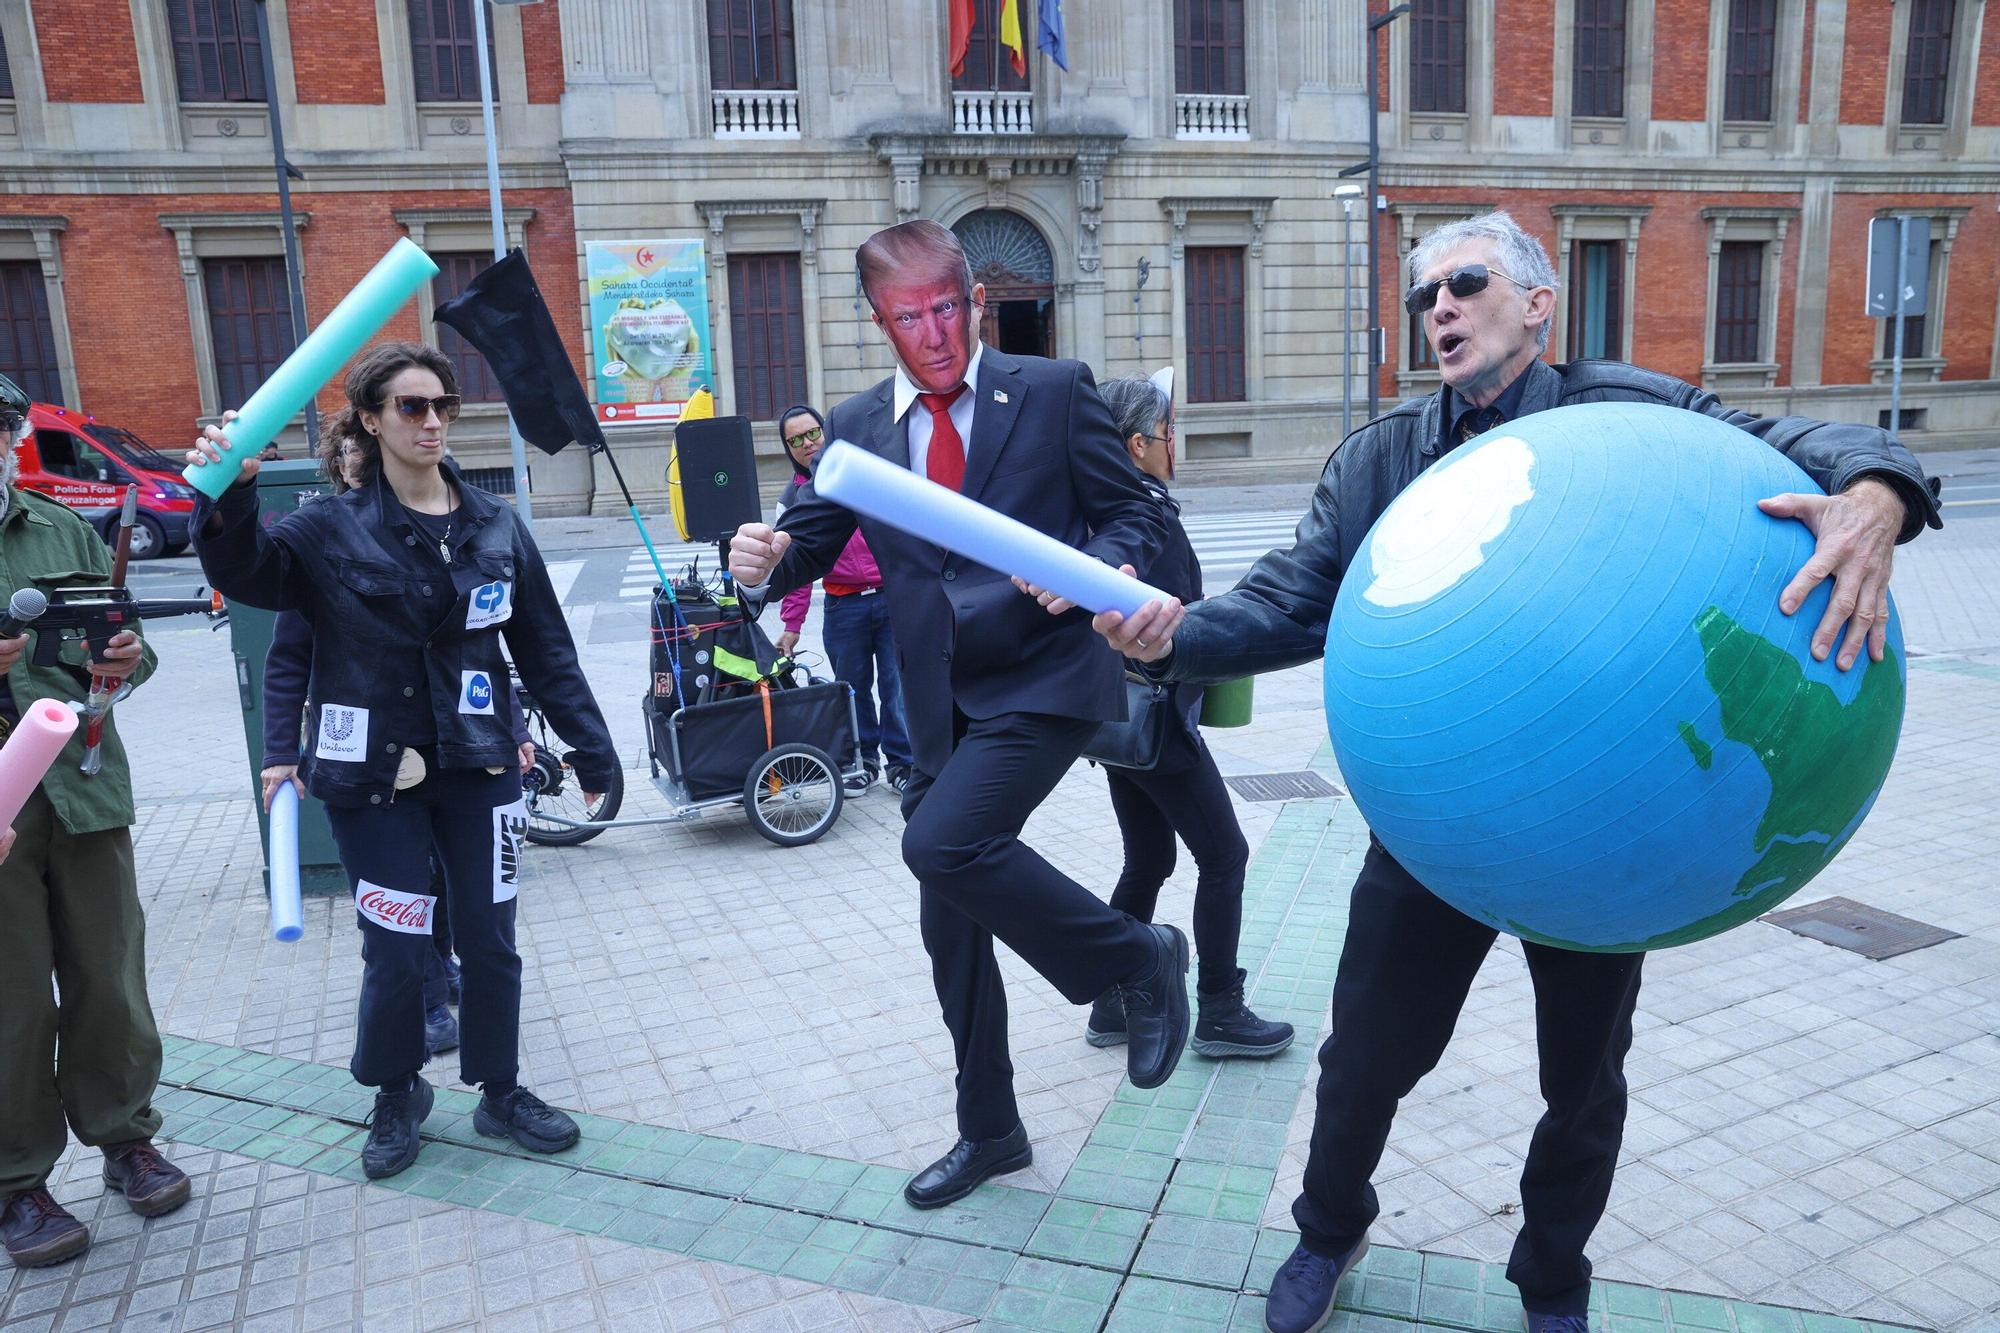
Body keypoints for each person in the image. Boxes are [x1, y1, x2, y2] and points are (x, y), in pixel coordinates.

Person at [1087, 212, 1940, 1333]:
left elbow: (1792, 442)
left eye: (1466, 282)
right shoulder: (1382, 459)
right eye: (1423, 295)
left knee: (1582, 1082)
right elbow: (1290, 601)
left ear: (1538, 304)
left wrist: (1877, 493)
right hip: (1434, 821)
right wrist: (1170, 641)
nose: (1438, 307)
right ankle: (1327, 1229)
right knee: (1364, 1057)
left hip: (1598, 822)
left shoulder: (1623, 414)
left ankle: (1551, 1279)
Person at [728, 219, 1191, 1211]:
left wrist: (1098, 567)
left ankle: (1140, 956)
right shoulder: (856, 426)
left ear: (974, 300)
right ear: (877, 320)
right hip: (937, 701)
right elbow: (807, 544)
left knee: (941, 844)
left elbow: (1135, 511)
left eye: (947, 307)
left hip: (1043, 676)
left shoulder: (1052, 389)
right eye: (909, 317)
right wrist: (762, 560)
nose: (934, 333)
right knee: (952, 921)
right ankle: (990, 1129)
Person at [188, 342, 618, 1181]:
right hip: (370, 779)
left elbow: (547, 650)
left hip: (483, 765)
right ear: (371, 419)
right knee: (395, 946)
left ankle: (500, 1090)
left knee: (490, 940)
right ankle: (396, 1091)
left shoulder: (496, 525)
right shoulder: (328, 527)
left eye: (442, 405)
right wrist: (231, 494)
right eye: (411, 406)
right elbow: (249, 575)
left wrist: (593, 751)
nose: (432, 421)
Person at [258, 434, 539, 1059]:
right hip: (372, 765)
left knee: (458, 890)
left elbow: (479, 651)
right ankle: (426, 1001)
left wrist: (514, 730)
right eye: (352, 459)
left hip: (463, 756)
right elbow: (286, 659)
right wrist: (280, 755)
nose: (365, 467)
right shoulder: (324, 543)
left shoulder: (459, 532)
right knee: (398, 902)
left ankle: (455, 994)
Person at [0, 371, 191, 1268]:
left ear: (12, 440)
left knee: (111, 977)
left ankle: (125, 1136)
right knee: (9, 998)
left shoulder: (60, 527)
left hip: (83, 786)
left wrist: (123, 656)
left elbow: (126, 647)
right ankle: (17, 1182)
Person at [1083, 375, 1293, 1060]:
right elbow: (1174, 622)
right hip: (1160, 722)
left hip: (1118, 724)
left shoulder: (1101, 511)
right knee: (1225, 856)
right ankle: (1220, 1009)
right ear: (1136, 445)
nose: (1175, 442)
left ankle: (1112, 1000)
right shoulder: (1146, 517)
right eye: (1167, 431)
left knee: (1148, 858)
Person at [772, 403, 915, 795]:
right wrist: (792, 625)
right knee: (852, 690)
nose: (807, 444)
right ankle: (861, 762)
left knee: (897, 686)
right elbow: (795, 565)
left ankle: (903, 763)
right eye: (795, 440)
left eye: (812, 433)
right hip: (843, 605)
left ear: (826, 430)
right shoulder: (794, 497)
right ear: (788, 449)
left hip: (890, 599)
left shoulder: (862, 474)